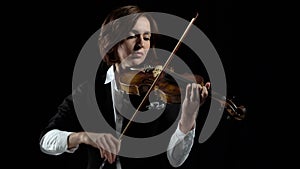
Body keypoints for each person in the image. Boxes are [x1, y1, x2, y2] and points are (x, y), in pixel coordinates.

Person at [39, 5, 210, 169]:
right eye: (132, 35)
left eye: (147, 37)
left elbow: (176, 159)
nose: (141, 43)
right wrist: (85, 137)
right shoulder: (89, 91)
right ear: (113, 41)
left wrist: (188, 117)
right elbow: (46, 141)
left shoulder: (158, 89)